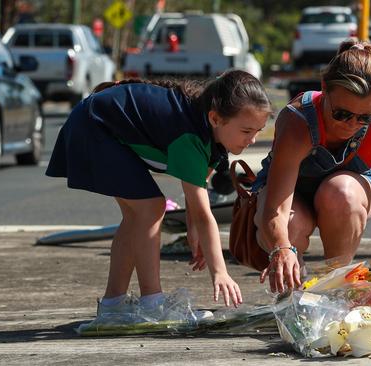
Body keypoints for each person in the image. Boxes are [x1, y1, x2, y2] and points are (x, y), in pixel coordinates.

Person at [46, 70, 272, 316]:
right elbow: (205, 213)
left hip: (95, 124)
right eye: (246, 131)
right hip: (93, 127)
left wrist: (192, 229)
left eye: (258, 131)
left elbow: (197, 195)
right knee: (151, 208)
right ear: (216, 118)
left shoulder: (210, 134)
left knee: (137, 217)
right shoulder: (191, 136)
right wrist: (220, 272)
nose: (252, 140)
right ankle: (152, 304)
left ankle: (112, 306)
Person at [251, 39, 371, 293]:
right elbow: (276, 208)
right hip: (292, 192)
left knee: (340, 193)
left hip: (348, 192)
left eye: (365, 118)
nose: (352, 124)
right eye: (342, 114)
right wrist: (282, 248)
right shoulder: (298, 121)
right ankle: (292, 293)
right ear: (324, 89)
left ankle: (337, 286)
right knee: (289, 225)